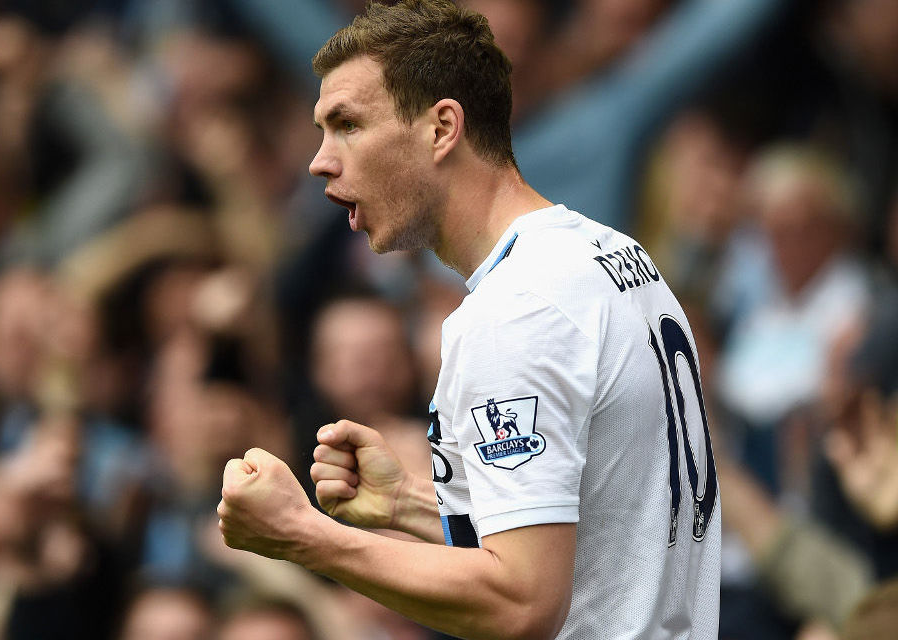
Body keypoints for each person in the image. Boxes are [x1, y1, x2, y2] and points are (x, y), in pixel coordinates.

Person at [217, 1, 720, 638]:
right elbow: (599, 537)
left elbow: (522, 602)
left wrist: (301, 534)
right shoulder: (607, 253)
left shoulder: (516, 311)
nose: (320, 160)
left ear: (441, 128)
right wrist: (411, 507)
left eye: (347, 124)